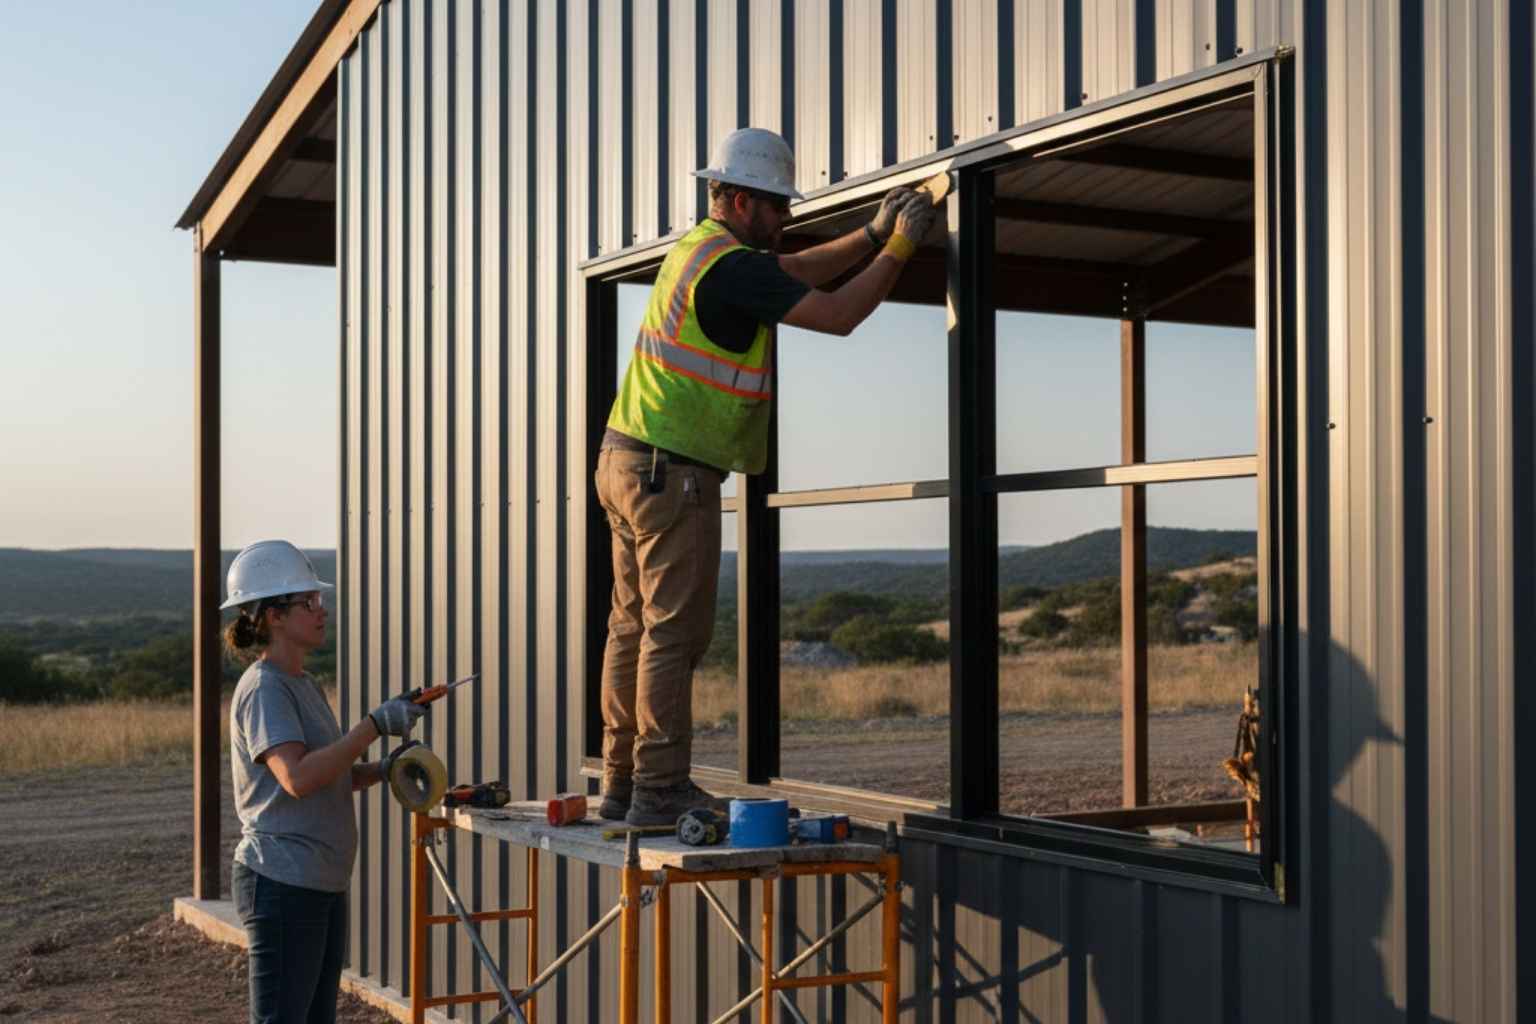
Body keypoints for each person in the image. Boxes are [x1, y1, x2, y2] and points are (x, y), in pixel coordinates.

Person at [598, 127, 941, 825]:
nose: (786, 218)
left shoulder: (702, 252)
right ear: (739, 199)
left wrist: (869, 234)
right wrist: (900, 247)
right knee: (672, 632)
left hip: (625, 460)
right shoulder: (733, 265)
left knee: (631, 626)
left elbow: (793, 275)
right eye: (777, 207)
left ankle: (622, 782)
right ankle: (660, 787)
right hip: (675, 471)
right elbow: (839, 313)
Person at [221, 539, 427, 1024]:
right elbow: (296, 778)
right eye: (308, 603)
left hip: (317, 881)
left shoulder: (303, 684)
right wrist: (373, 726)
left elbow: (326, 772)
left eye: (319, 601)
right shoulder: (264, 689)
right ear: (274, 616)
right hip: (281, 881)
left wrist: (382, 769)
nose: (322, 611)